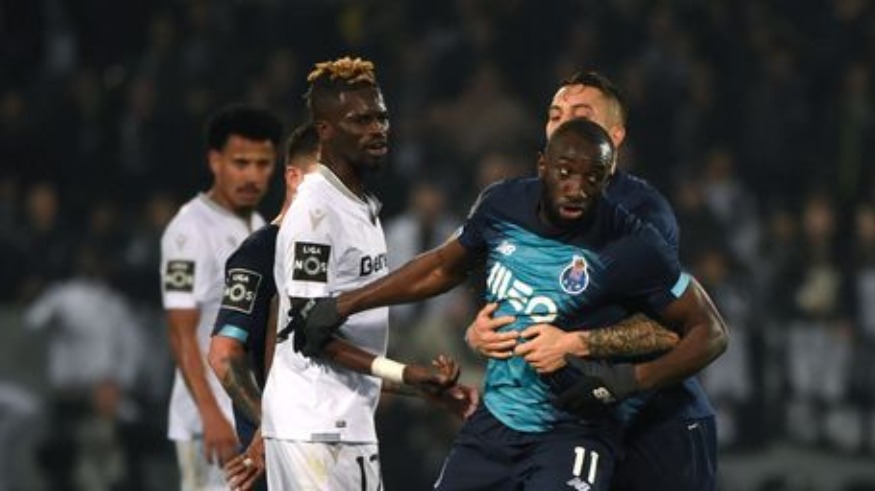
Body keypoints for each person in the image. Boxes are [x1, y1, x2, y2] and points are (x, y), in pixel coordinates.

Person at [296, 118, 728, 490]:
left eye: (593, 178)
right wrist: (344, 305)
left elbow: (709, 332)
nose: (577, 189)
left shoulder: (631, 243)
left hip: (576, 432)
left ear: (608, 176)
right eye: (565, 172)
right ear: (543, 165)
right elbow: (442, 267)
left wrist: (629, 379)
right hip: (495, 423)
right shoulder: (503, 205)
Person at [468, 70, 728, 490]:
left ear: (615, 136)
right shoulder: (526, 202)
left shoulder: (639, 212)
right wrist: (485, 328)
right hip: (577, 426)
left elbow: (671, 329)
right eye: (556, 114)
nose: (565, 123)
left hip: (658, 423)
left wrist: (576, 343)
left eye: (581, 114)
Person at [208, 123, 467, 491]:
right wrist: (268, 424)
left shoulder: (339, 256)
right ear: (294, 178)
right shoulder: (259, 253)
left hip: (339, 444)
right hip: (280, 455)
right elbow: (223, 355)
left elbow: (332, 358)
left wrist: (416, 384)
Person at [261, 56, 477, 491]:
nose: (377, 129)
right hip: (315, 427)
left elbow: (350, 341)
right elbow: (309, 333)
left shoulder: (359, 206)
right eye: (360, 120)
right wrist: (403, 373)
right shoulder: (316, 212)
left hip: (344, 422)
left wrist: (420, 387)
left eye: (381, 117)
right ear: (325, 130)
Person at [160, 104, 282, 491]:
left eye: (262, 164)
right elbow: (179, 331)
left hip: (248, 417)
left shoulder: (260, 227)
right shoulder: (188, 231)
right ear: (216, 161)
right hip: (208, 424)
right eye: (241, 163)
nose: (252, 176)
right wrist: (210, 413)